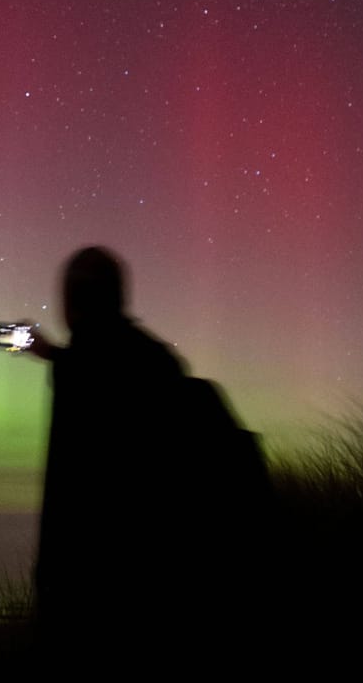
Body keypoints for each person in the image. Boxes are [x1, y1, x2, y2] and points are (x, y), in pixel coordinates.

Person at [20, 246, 267, 651]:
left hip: (95, 595)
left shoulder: (78, 372)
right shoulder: (156, 362)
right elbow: (113, 371)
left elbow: (78, 495)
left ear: (71, 300)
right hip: (168, 590)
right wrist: (49, 353)